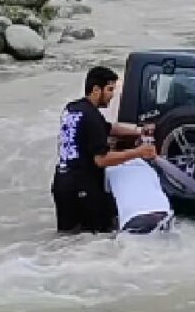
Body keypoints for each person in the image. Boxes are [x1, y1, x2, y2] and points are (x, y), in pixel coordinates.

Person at [51, 66, 156, 234]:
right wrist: (139, 152)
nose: (112, 95)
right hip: (82, 187)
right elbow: (101, 160)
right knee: (94, 238)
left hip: (61, 183)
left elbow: (107, 128)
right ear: (96, 90)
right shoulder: (92, 116)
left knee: (68, 238)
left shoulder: (73, 108)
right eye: (110, 89)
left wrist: (138, 131)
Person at [105, 153, 175, 234]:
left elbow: (108, 194)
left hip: (134, 217)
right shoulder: (150, 169)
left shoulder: (109, 169)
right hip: (163, 213)